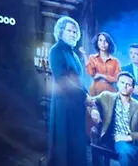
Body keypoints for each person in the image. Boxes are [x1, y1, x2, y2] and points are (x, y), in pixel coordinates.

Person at [47, 16, 89, 166]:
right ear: (61, 32)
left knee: (77, 144)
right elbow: (62, 79)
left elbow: (79, 80)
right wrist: (84, 96)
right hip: (63, 105)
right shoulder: (56, 51)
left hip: (76, 105)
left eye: (74, 31)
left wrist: (87, 96)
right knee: (64, 144)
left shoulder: (74, 54)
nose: (72, 34)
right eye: (69, 31)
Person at [90, 71, 138, 166]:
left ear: (133, 88)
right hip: (116, 140)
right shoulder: (106, 96)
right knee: (126, 151)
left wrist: (129, 137)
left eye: (128, 84)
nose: (125, 86)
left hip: (134, 142)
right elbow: (91, 101)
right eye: (122, 83)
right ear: (117, 84)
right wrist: (94, 110)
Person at [86, 32, 121, 96]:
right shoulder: (92, 58)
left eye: (106, 41)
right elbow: (92, 74)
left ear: (109, 43)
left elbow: (116, 78)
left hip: (111, 92)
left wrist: (101, 76)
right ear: (97, 42)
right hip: (95, 90)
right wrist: (85, 56)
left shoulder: (115, 61)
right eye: (100, 40)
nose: (103, 43)